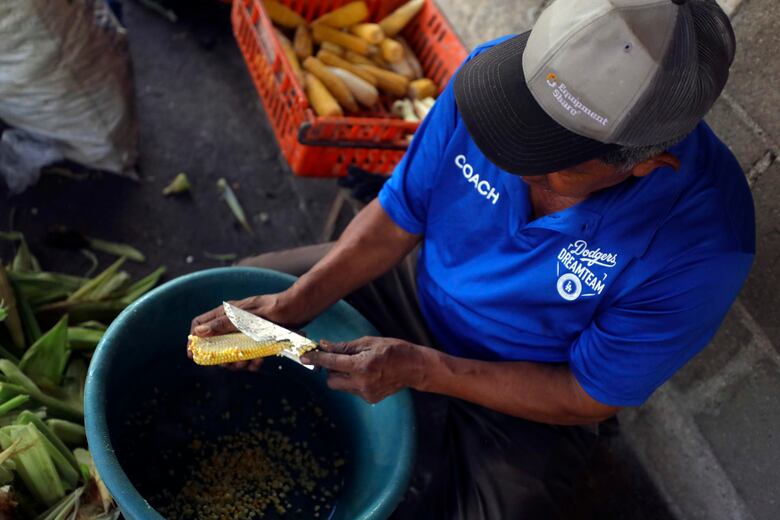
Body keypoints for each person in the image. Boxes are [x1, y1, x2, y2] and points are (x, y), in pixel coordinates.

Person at [190, 0, 755, 517]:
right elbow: (398, 215)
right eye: (514, 128)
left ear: (646, 163)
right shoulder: (492, 77)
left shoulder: (703, 246)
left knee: (506, 510)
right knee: (246, 291)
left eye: (549, 161)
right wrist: (295, 303)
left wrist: (425, 369)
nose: (512, 162)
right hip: (417, 282)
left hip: (526, 379)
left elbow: (585, 395)